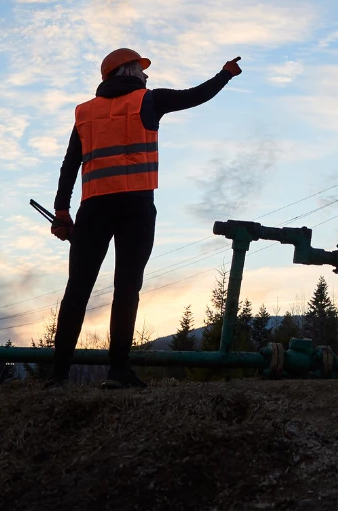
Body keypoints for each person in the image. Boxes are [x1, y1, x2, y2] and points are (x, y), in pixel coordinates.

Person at [49, 48, 243, 388]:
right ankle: (118, 372)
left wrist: (62, 211)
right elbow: (195, 96)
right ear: (125, 70)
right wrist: (225, 74)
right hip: (136, 208)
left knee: (77, 289)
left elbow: (70, 164)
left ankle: (57, 376)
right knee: (127, 289)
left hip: (93, 208)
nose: (146, 74)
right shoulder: (148, 100)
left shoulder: (85, 112)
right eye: (141, 68)